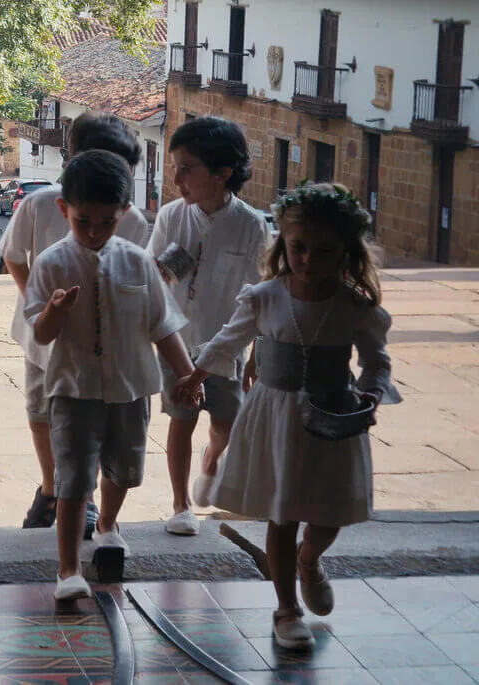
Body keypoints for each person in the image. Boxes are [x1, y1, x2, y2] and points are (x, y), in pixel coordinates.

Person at [174, 182, 400, 649]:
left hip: (332, 416)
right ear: (283, 244)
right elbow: (228, 340)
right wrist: (195, 374)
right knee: (282, 513)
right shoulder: (264, 296)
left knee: (328, 514)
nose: (309, 259)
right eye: (298, 248)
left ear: (345, 251)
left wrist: (372, 395)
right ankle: (285, 607)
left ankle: (309, 560)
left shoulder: (353, 305)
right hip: (275, 418)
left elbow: (377, 362)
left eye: (323, 250)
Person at [25, 151, 199, 600]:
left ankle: (107, 525)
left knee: (123, 472)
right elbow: (40, 335)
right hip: (72, 390)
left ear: (124, 213)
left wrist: (186, 374)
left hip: (130, 389)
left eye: (107, 222)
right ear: (64, 209)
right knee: (73, 480)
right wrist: (55, 310)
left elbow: (164, 324)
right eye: (84, 221)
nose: (95, 232)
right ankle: (67, 570)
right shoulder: (51, 264)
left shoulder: (139, 262)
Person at [0, 111, 149, 538]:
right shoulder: (41, 204)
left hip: (98, 343)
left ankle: (80, 496)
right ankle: (53, 487)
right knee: (41, 410)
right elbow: (13, 255)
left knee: (93, 415)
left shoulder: (130, 220)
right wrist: (37, 301)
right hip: (43, 337)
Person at [148, 116, 269, 536]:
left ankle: (213, 460)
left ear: (222, 173)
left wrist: (256, 354)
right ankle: (181, 504)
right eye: (175, 166)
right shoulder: (171, 217)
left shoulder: (252, 226)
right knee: (181, 417)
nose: (176, 178)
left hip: (227, 344)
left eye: (186, 168)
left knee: (226, 422)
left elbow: (260, 295)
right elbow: (154, 277)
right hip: (179, 340)